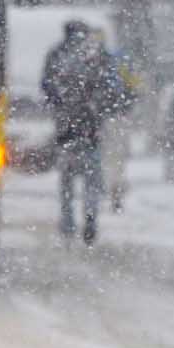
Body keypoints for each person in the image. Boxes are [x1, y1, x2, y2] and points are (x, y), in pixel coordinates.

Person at [40, 20, 130, 245]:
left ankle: (68, 222)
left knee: (67, 180)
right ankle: (90, 218)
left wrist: (59, 107)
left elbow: (47, 87)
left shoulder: (57, 54)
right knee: (91, 178)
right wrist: (101, 110)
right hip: (91, 131)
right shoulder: (97, 57)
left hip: (65, 131)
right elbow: (113, 89)